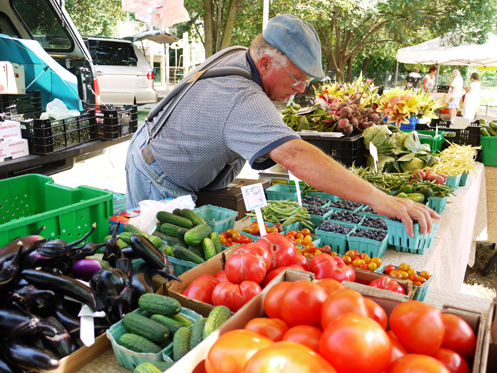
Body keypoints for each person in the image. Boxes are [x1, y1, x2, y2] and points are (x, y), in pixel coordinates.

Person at [125, 14, 438, 237]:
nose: (302, 89)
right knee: (156, 262)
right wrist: (380, 199)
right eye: (297, 78)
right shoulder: (242, 95)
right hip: (159, 174)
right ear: (264, 63)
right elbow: (295, 155)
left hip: (165, 155)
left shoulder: (239, 54)